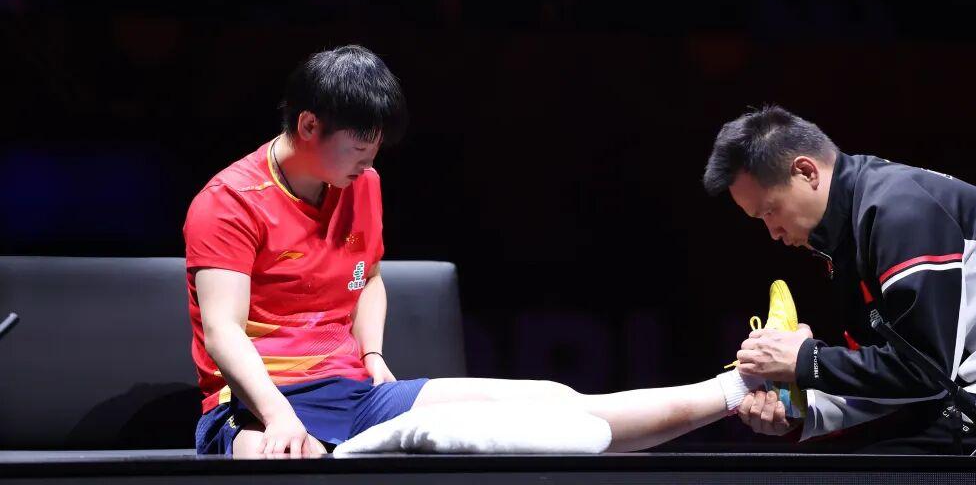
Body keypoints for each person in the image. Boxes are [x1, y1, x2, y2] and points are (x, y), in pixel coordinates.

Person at [185, 45, 788, 457]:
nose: (370, 162)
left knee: (556, 407)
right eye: (359, 148)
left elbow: (368, 278)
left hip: (353, 392)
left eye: (376, 149)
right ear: (309, 126)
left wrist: (371, 354)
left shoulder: (362, 184)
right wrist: (280, 417)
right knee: (286, 462)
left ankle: (736, 389)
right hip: (254, 405)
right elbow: (222, 331)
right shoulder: (229, 202)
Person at [703, 105, 976, 454]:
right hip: (974, 392)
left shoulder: (899, 211)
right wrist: (804, 410)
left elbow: (925, 371)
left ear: (806, 171)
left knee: (860, 470)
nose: (772, 232)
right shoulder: (851, 228)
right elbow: (891, 376)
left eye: (770, 211)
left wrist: (805, 360)